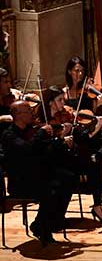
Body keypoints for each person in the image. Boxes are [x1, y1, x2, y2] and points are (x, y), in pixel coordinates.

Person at [1, 99, 76, 246]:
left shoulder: (31, 131)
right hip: (21, 183)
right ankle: (43, 227)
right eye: (28, 110)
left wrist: (60, 142)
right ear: (18, 115)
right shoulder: (9, 135)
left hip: (36, 177)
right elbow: (29, 151)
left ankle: (49, 222)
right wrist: (41, 133)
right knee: (52, 188)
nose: (32, 113)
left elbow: (44, 150)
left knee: (69, 178)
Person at [62, 57, 102, 224]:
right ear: (69, 71)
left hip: (90, 133)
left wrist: (99, 103)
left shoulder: (89, 93)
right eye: (76, 70)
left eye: (82, 71)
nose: (80, 74)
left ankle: (98, 206)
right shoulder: (65, 93)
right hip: (74, 137)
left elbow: (93, 115)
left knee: (96, 166)